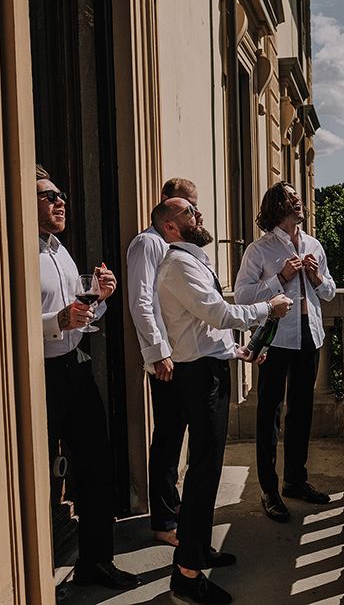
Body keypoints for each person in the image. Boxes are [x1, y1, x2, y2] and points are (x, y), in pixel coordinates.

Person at [155, 198, 292, 604]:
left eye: (196, 209)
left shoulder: (194, 260)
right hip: (197, 379)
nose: (198, 214)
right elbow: (216, 314)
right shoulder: (178, 264)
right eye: (188, 212)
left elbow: (200, 328)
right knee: (203, 470)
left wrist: (237, 352)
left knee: (207, 468)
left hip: (208, 367)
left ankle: (198, 550)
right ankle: (186, 574)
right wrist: (269, 307)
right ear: (171, 227)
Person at [36, 165, 141, 591]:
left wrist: (98, 298)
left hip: (74, 367)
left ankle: (95, 563)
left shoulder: (60, 250)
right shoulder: (17, 252)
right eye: (49, 196)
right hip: (39, 376)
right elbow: (9, 319)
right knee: (39, 474)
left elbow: (76, 319)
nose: (61, 201)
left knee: (97, 465)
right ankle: (37, 574)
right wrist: (58, 319)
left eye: (60, 194)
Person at [234, 182, 336, 522]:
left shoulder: (314, 245)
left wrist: (317, 277)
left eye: (299, 198)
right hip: (276, 340)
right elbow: (243, 295)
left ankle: (295, 480)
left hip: (311, 336)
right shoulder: (259, 250)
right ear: (278, 207)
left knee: (302, 411)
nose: (300, 202)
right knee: (269, 415)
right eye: (293, 199)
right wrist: (281, 277)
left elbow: (330, 293)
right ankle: (269, 490)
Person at [126, 178, 198, 547]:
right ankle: (164, 521)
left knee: (174, 436)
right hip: (165, 359)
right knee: (167, 439)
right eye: (189, 207)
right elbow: (141, 302)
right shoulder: (147, 243)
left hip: (178, 355)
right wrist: (158, 353)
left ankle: (173, 511)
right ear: (169, 208)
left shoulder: (171, 246)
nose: (195, 214)